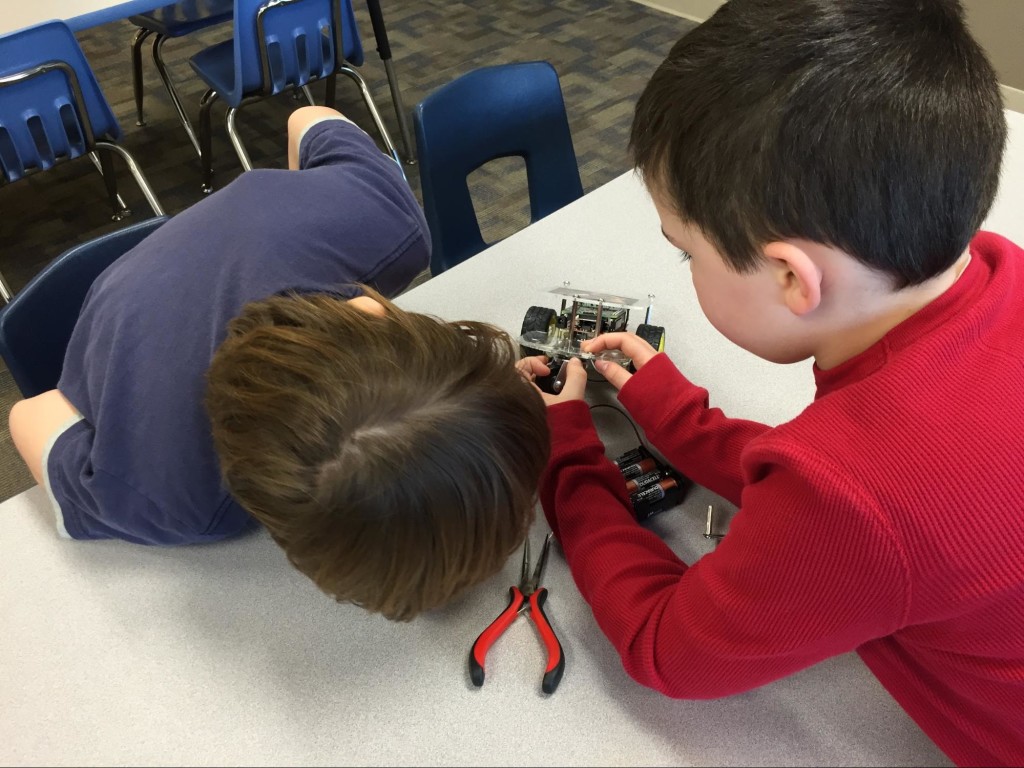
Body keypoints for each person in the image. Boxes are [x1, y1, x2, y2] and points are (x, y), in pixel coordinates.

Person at [523, 0, 1023, 764]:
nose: (687, 269)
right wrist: (675, 415)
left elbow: (666, 648)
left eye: (687, 253)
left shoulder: (855, 496)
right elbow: (875, 485)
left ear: (792, 276)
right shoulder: (997, 271)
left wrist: (567, 454)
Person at [9, 106, 550, 621]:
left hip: (185, 263)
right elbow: (32, 412)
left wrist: (489, 411)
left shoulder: (386, 220)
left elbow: (309, 119)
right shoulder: (172, 496)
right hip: (110, 307)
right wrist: (109, 391)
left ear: (374, 312)